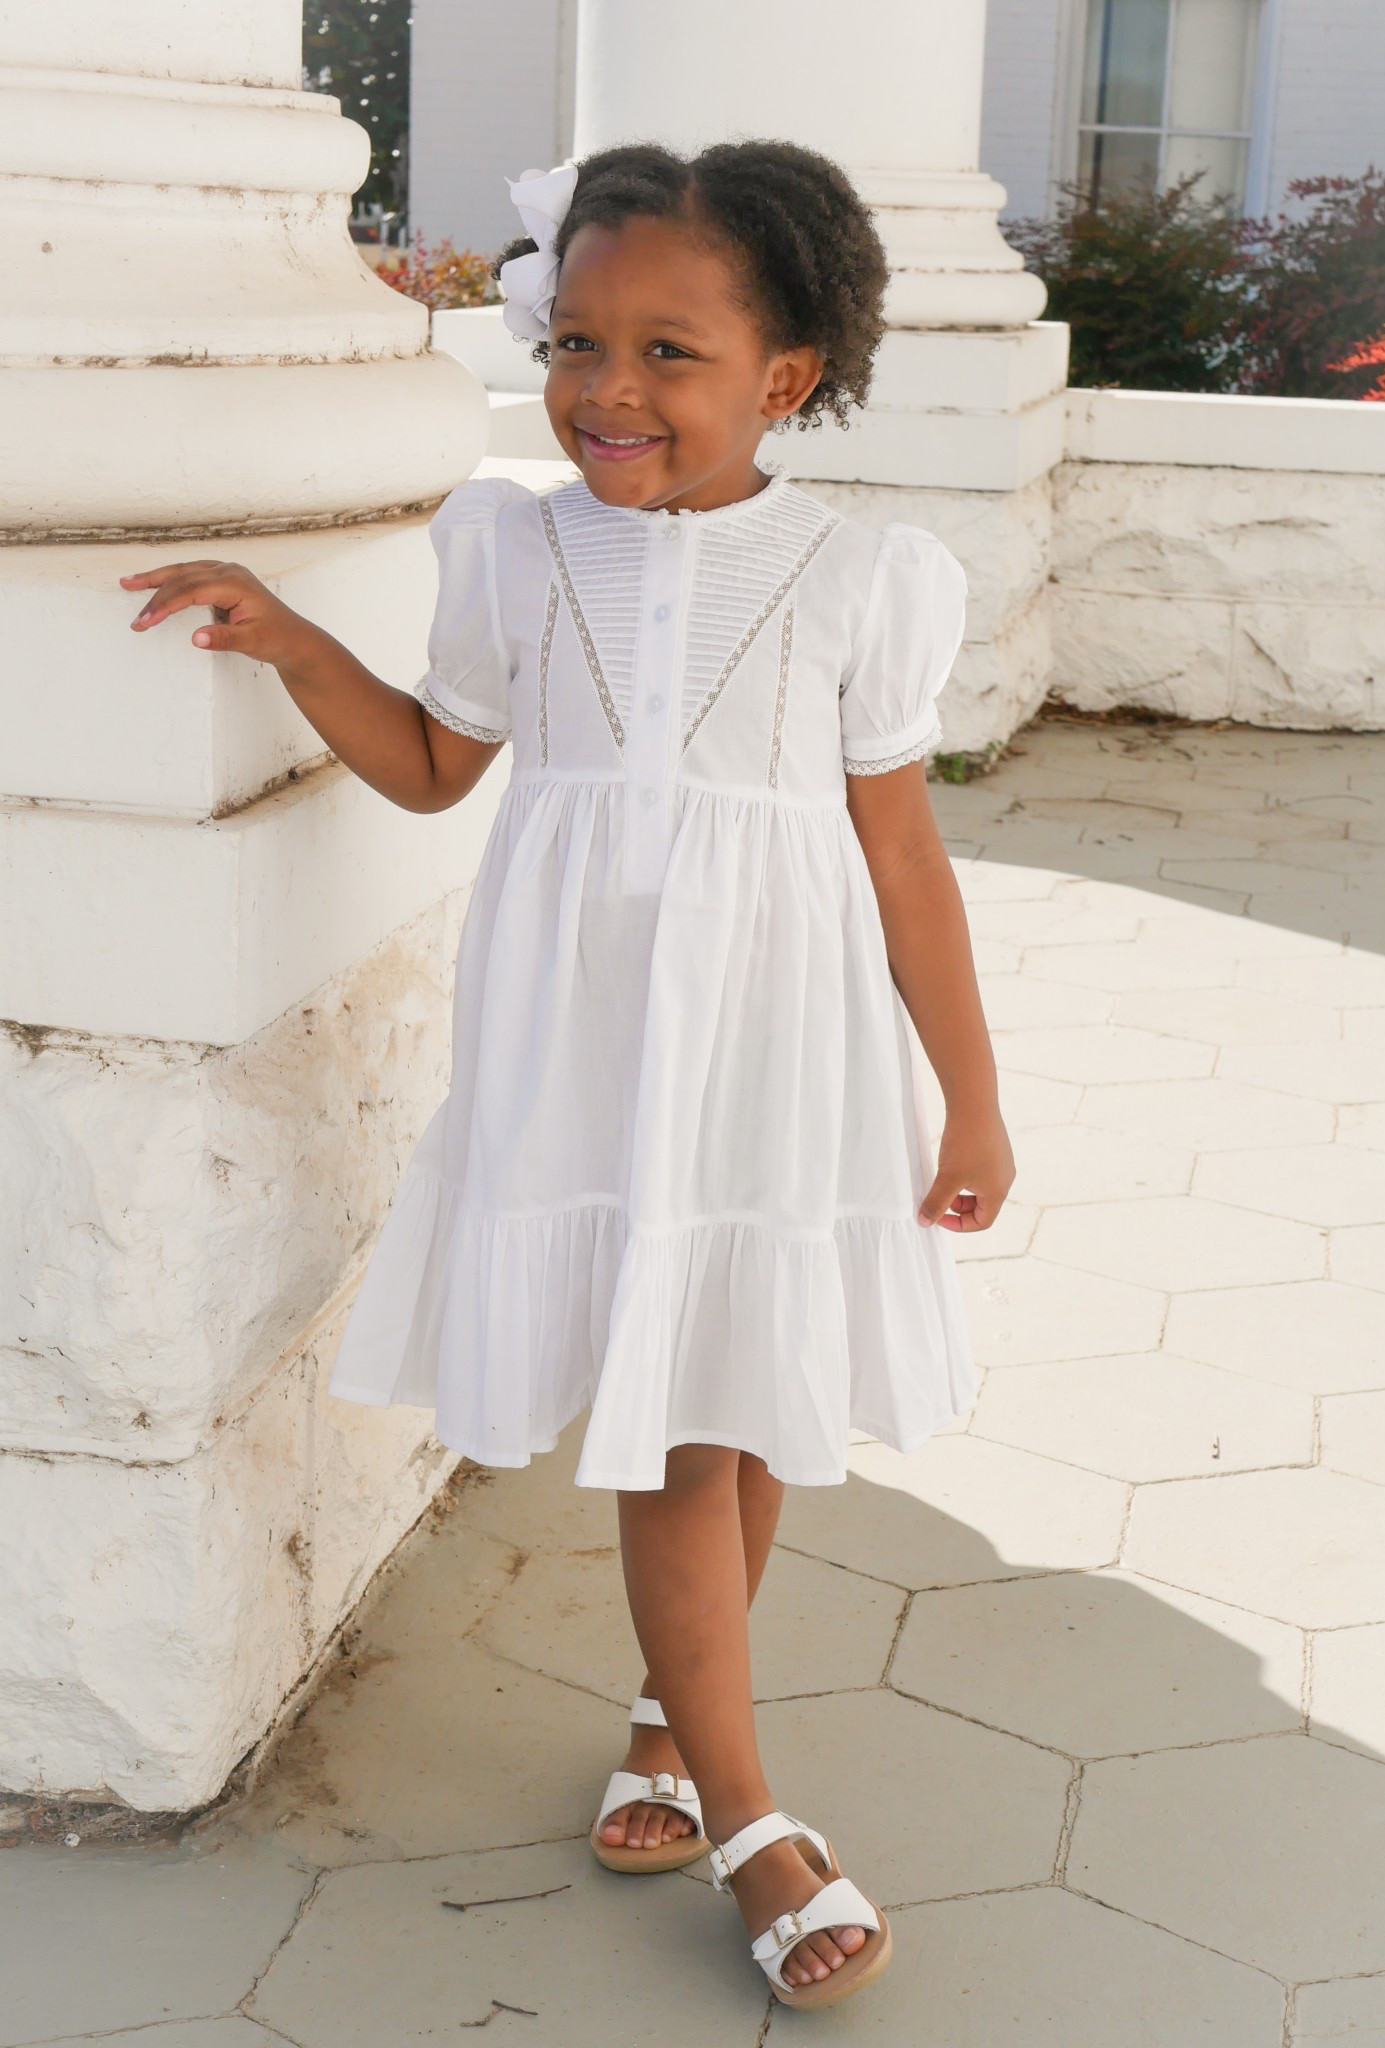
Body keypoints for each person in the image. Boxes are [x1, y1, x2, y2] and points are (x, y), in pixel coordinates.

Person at [121, 139, 1014, 2012]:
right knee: (678, 1423)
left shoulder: (860, 578)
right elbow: (443, 766)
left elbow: (904, 865)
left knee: (743, 1394)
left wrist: (972, 1095)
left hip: (777, 1052)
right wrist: (291, 641)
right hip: (594, 1054)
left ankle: (680, 1733)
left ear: (784, 376)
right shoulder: (515, 545)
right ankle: (752, 1803)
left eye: (670, 352)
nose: (608, 389)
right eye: (581, 340)